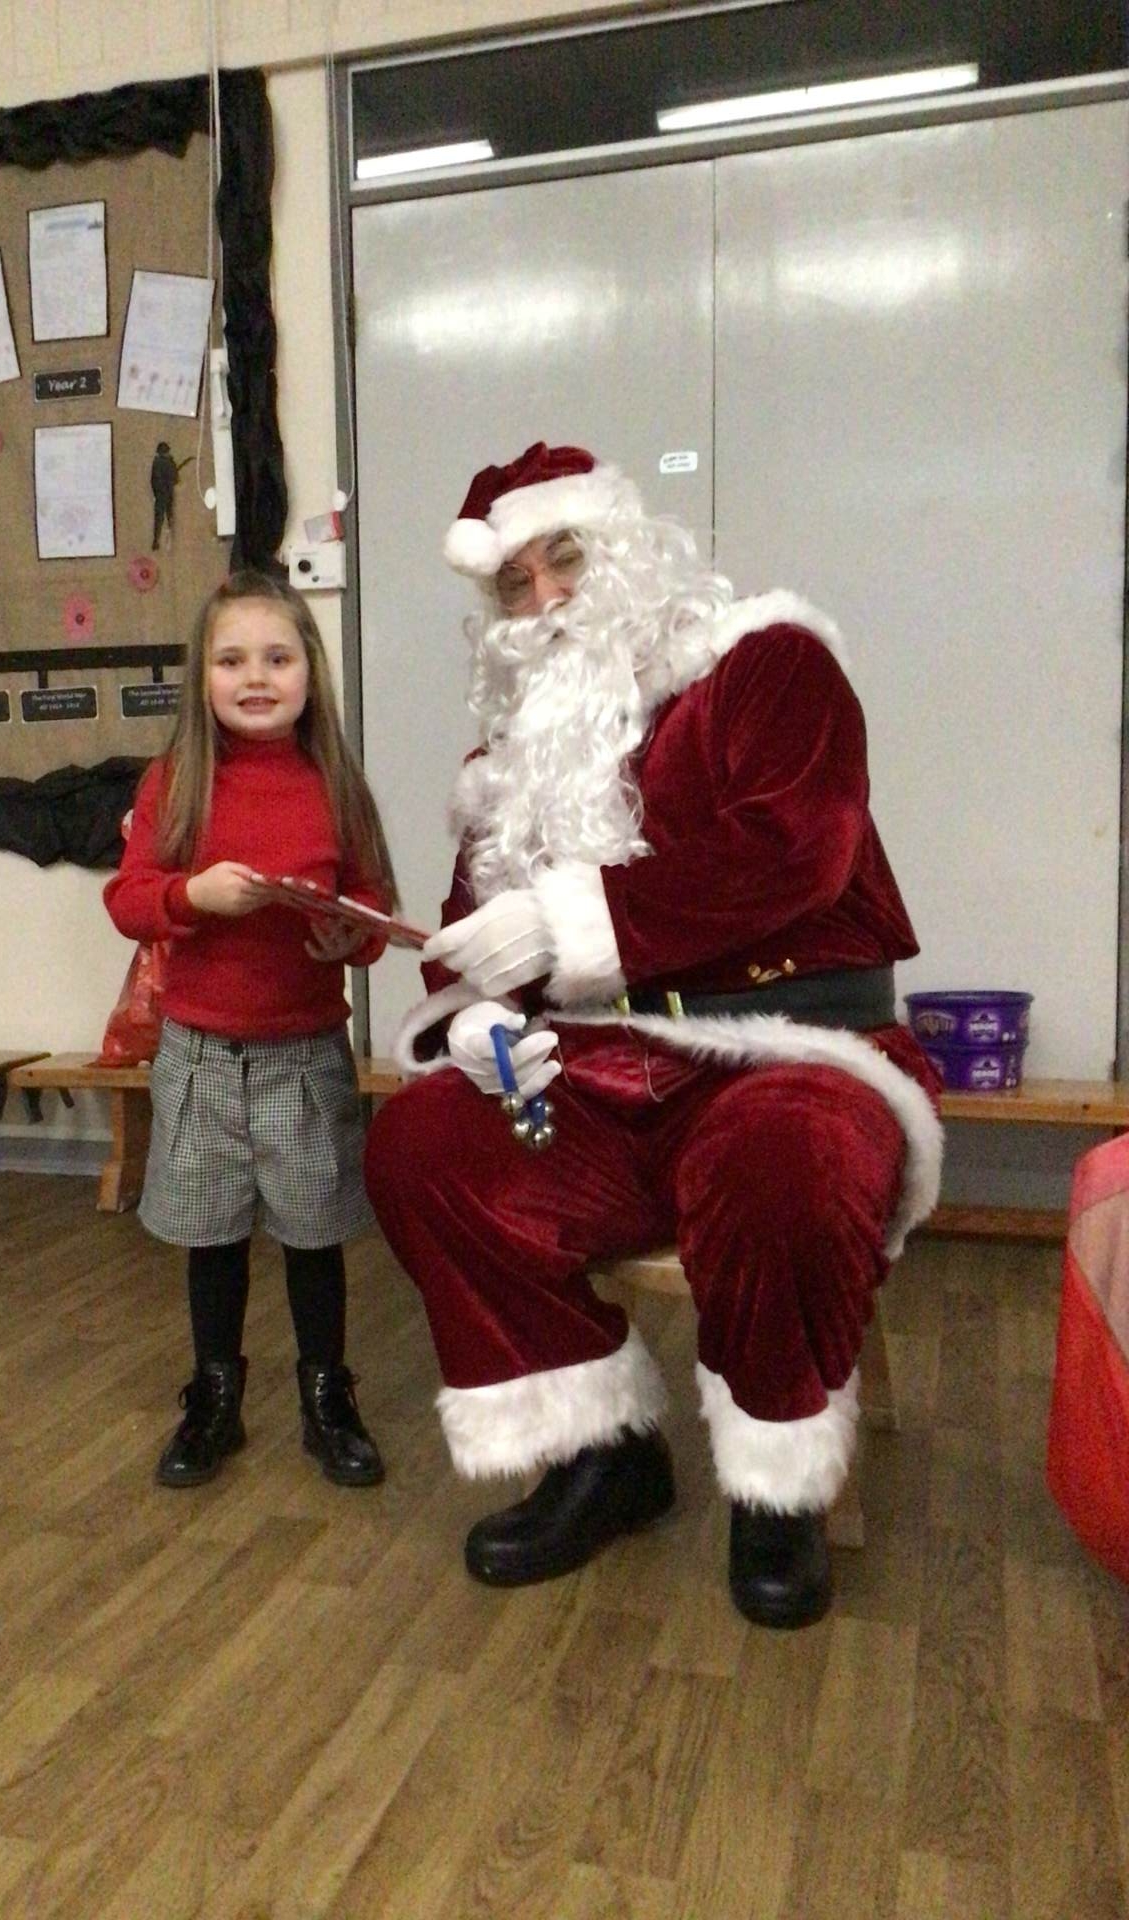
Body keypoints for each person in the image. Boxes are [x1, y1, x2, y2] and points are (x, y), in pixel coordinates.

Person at [364, 442, 943, 1628]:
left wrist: (566, 924)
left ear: (626, 546)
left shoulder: (769, 665)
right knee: (420, 1148)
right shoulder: (509, 765)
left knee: (783, 1166)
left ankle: (776, 1489)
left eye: (564, 558)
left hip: (790, 1047)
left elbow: (797, 852)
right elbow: (469, 940)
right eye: (513, 584)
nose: (545, 599)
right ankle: (604, 1453)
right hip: (600, 1073)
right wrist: (477, 1020)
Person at [105, 570, 398, 1492]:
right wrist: (192, 895)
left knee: (314, 1239)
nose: (256, 677)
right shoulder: (175, 782)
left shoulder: (336, 785)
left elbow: (374, 908)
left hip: (304, 1055)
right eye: (232, 661)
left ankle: (328, 1399)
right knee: (213, 1238)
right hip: (199, 1056)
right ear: (202, 677)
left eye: (278, 658)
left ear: (310, 669)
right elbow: (128, 901)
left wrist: (350, 936)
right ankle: (214, 1398)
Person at [150, 442, 192, 550]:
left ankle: (157, 541)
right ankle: (168, 539)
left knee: (160, 518)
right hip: (167, 494)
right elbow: (175, 479)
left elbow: (153, 481)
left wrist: (156, 493)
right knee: (168, 517)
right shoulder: (169, 462)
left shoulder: (157, 463)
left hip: (161, 495)